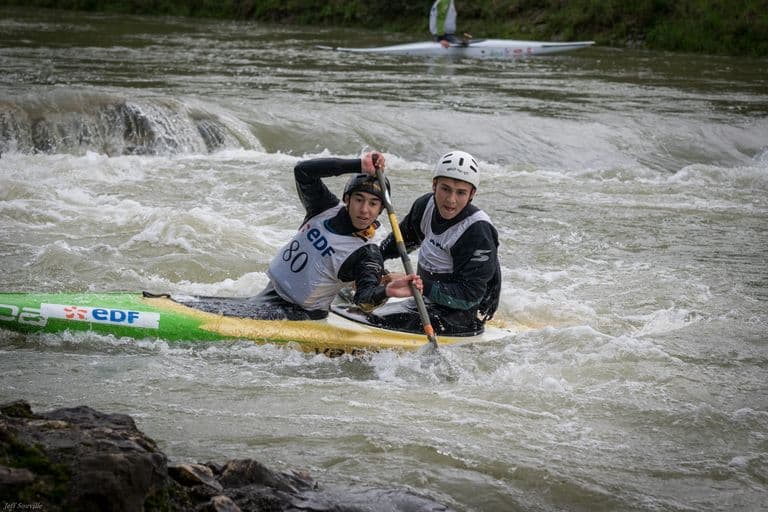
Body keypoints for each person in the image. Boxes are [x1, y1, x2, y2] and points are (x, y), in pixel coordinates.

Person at [250, 151, 423, 320]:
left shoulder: (367, 254)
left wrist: (388, 290)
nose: (364, 210)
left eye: (373, 203)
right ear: (347, 199)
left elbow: (363, 300)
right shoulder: (324, 208)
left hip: (301, 314)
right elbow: (303, 171)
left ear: (381, 209)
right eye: (359, 199)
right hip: (270, 293)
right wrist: (359, 165)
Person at [371, 150, 501, 336]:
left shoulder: (477, 231)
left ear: (472, 194)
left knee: (377, 319)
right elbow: (397, 243)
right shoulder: (425, 206)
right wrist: (372, 263)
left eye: (461, 192)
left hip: (462, 314)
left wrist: (424, 287)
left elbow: (470, 296)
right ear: (434, 185)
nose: (451, 200)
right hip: (426, 300)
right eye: (445, 188)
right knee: (370, 309)